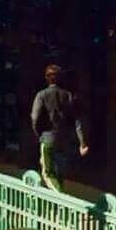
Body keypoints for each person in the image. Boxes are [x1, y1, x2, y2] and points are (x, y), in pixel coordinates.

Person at [30, 64, 88, 192]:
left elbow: (35, 118)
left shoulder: (42, 95)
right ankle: (56, 210)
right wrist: (82, 143)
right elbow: (77, 121)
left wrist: (39, 135)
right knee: (59, 173)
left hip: (48, 138)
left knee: (47, 173)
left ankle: (60, 197)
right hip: (64, 139)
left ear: (47, 78)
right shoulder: (68, 95)